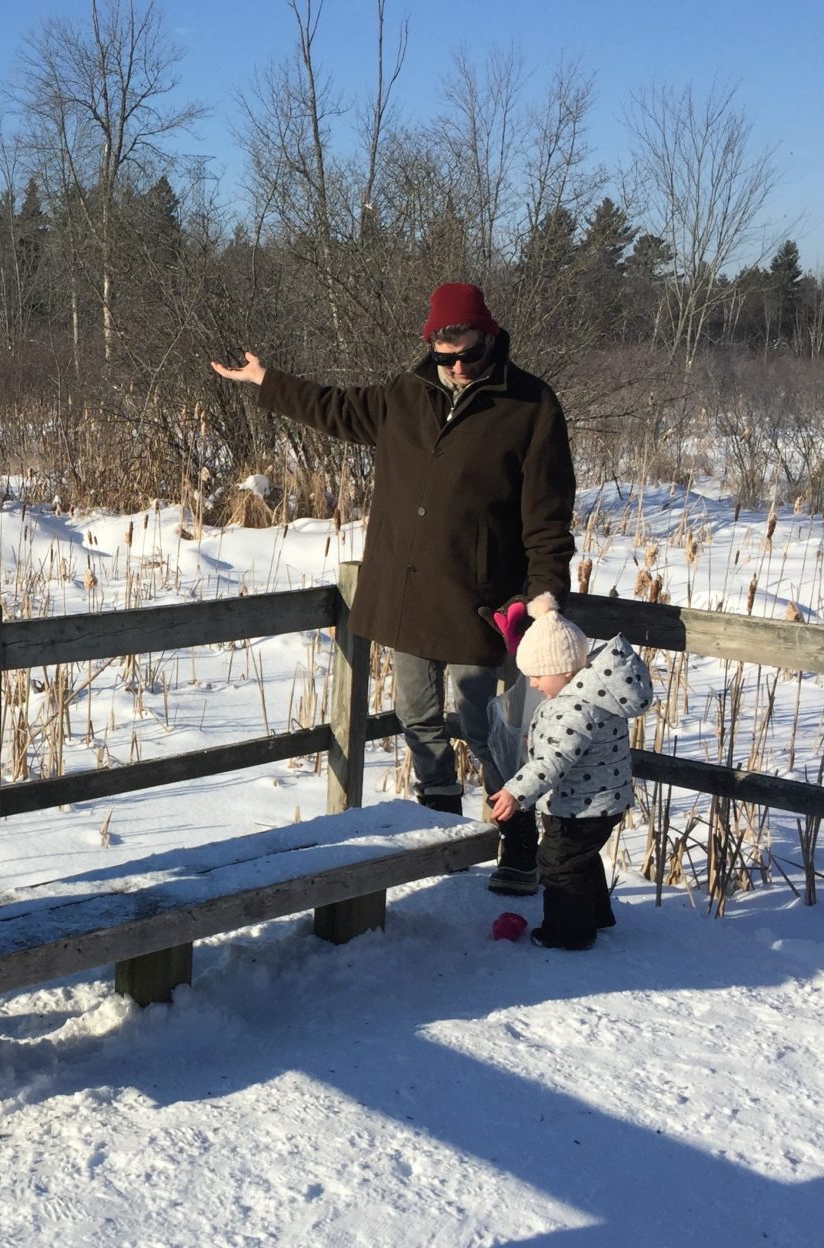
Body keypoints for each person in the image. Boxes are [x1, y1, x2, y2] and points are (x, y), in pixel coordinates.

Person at [211, 282, 577, 897]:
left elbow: (548, 515)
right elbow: (332, 407)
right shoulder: (404, 397)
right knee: (416, 718)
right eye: (446, 355)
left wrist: (543, 600)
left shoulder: (532, 406)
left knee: (488, 725)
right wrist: (265, 380)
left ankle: (516, 846)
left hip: (481, 601)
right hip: (407, 595)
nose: (458, 367)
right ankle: (439, 838)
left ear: (490, 338)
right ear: (430, 347)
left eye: (469, 354)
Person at [488, 594, 653, 951]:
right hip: (599, 800)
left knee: (558, 863)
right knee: (580, 857)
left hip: (582, 804)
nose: (532, 684)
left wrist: (516, 792)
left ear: (564, 669)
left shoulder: (574, 708)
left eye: (536, 675)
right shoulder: (593, 692)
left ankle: (569, 933)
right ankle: (594, 915)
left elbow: (553, 762)